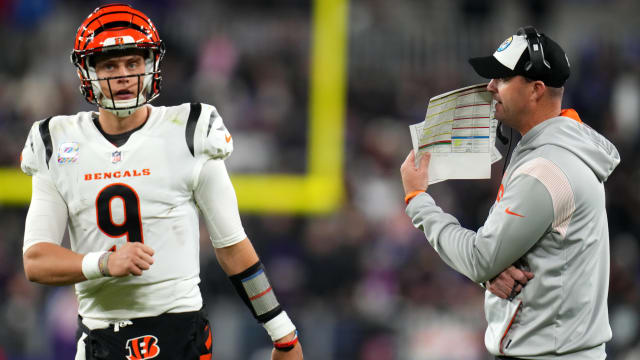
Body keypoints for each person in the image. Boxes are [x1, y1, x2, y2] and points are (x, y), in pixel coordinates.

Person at [20, 4, 302, 359]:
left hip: (179, 334)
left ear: (150, 65)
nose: (123, 75)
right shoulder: (56, 141)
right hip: (100, 338)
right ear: (87, 71)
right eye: (110, 65)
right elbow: (36, 261)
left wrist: (283, 334)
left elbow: (232, 247)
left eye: (132, 63)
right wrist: (103, 263)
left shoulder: (189, 130)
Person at [400, 26, 619, 359]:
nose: (490, 87)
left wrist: (418, 200)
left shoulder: (546, 167)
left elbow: (479, 257)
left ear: (536, 90)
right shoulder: (552, 151)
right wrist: (490, 272)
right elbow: (502, 257)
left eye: (502, 79)